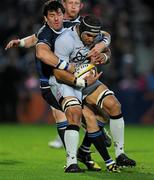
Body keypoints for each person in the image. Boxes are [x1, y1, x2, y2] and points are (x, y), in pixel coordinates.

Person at [6, 1, 113, 172]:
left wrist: (103, 44)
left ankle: (84, 150)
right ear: (46, 18)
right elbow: (37, 44)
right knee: (65, 115)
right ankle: (75, 158)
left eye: (59, 15)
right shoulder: (45, 31)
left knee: (98, 116)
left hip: (71, 80)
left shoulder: (72, 27)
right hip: (50, 83)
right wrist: (20, 42)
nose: (56, 18)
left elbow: (105, 34)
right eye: (52, 15)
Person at [52, 15, 136, 169]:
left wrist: (103, 56)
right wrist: (81, 82)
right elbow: (58, 73)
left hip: (89, 79)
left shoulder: (96, 38)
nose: (91, 39)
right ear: (80, 30)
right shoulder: (65, 40)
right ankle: (72, 162)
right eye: (88, 36)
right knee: (81, 116)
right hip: (67, 83)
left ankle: (120, 154)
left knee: (113, 105)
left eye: (94, 36)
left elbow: (107, 50)